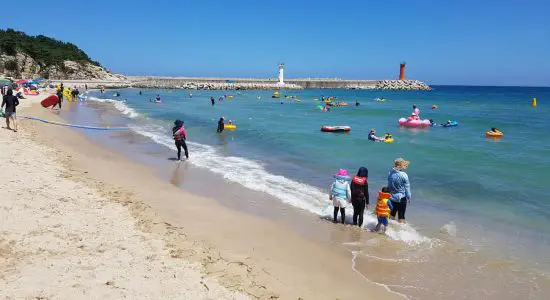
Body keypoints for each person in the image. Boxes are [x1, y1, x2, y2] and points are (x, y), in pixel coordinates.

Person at [387, 158, 411, 223]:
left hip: (392, 197)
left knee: (391, 215)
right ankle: (401, 232)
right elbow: (407, 188)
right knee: (401, 217)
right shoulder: (404, 175)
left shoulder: (390, 173)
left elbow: (389, 186)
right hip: (401, 198)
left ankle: (390, 229)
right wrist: (409, 197)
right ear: (402, 166)